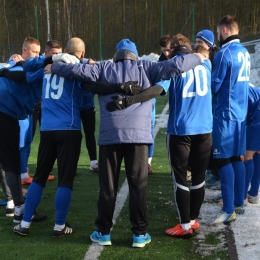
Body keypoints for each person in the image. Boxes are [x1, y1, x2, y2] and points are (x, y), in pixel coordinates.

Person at [45, 38, 206, 247]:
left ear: (117, 54)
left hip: (110, 136)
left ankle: (103, 232)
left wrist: (55, 66)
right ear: (135, 54)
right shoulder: (147, 67)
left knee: (107, 188)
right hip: (138, 138)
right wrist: (198, 56)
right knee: (138, 187)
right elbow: (176, 65)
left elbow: (75, 71)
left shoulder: (104, 67)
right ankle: (139, 234)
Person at [10, 37, 143, 237]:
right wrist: (119, 87)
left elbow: (26, 74)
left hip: (47, 129)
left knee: (39, 177)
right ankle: (59, 226)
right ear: (82, 53)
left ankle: (25, 223)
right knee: (65, 180)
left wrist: (6, 70)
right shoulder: (78, 69)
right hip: (69, 129)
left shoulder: (48, 67)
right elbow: (94, 86)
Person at [106, 37, 212, 239]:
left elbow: (157, 90)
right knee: (199, 177)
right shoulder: (205, 63)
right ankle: (193, 220)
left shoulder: (174, 67)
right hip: (206, 129)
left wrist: (130, 100)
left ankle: (185, 225)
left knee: (180, 178)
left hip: (181, 130)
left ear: (173, 52)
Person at [207, 15, 250, 225]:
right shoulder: (245, 52)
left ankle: (228, 208)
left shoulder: (224, 53)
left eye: (217, 32)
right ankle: (239, 202)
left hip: (225, 114)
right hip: (240, 115)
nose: (217, 36)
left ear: (224, 31)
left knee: (222, 159)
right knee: (235, 158)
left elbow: (214, 86)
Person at [0, 37, 47, 223]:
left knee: (5, 161)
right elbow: (26, 76)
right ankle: (19, 208)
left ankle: (13, 203)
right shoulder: (29, 68)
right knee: (11, 162)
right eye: (34, 52)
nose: (36, 55)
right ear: (25, 51)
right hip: (5, 115)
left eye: (39, 52)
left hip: (8, 113)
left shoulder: (15, 65)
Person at [243, 84, 260, 204]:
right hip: (256, 115)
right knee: (257, 153)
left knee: (247, 156)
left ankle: (242, 195)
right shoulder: (245, 83)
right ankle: (253, 193)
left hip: (256, 119)